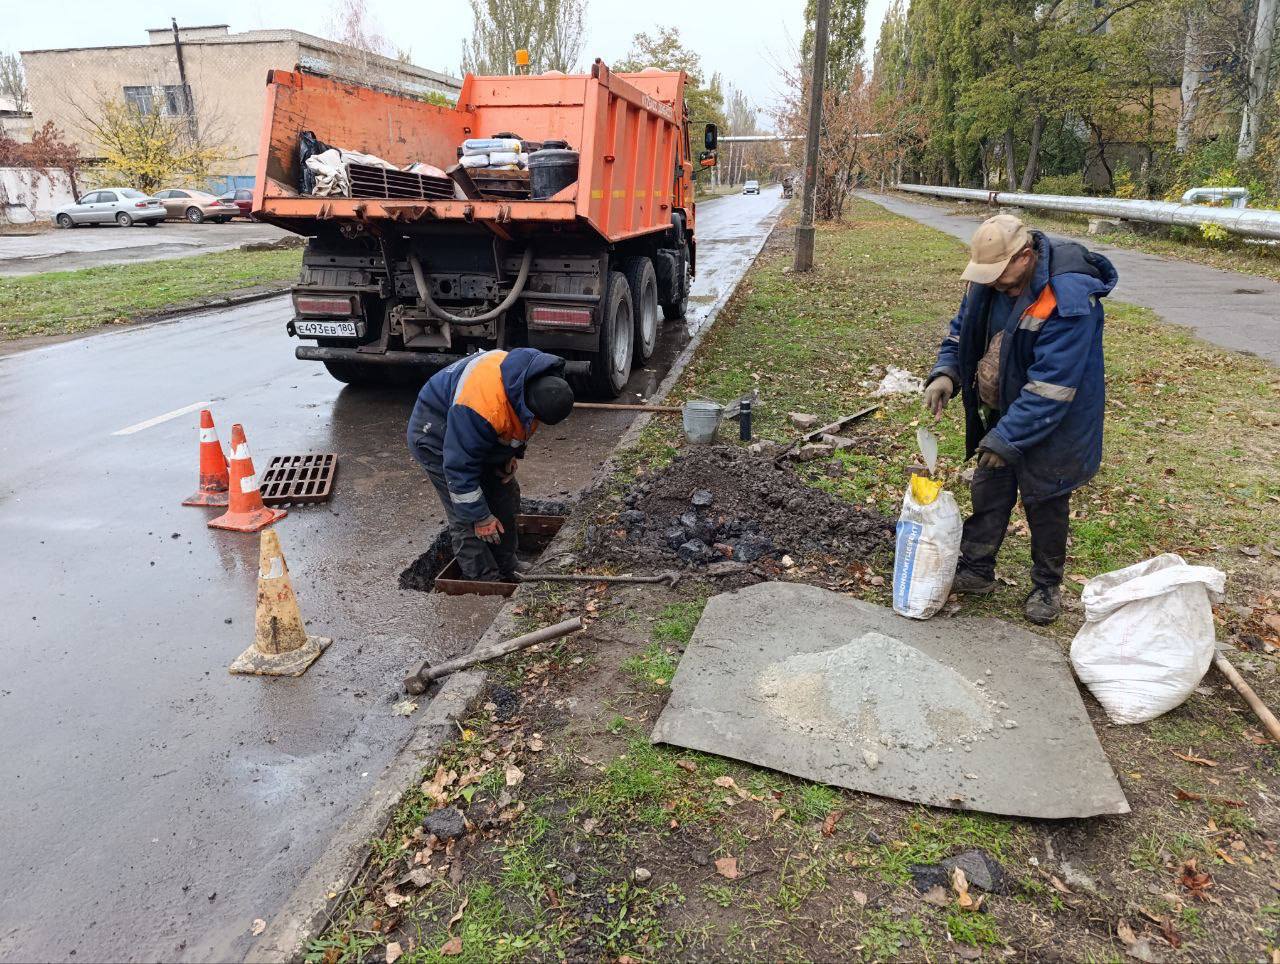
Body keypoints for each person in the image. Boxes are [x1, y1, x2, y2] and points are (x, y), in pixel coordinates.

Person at [923, 214, 1117, 625]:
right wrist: (946, 372)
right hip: (1004, 406)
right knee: (989, 487)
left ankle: (1047, 585)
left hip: (1056, 417)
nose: (994, 283)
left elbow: (1053, 385)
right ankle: (977, 569)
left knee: (1045, 498)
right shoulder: (990, 278)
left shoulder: (1068, 295)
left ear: (1025, 256)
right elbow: (963, 332)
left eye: (1000, 275)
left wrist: (1007, 438)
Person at [407, 348, 574, 581]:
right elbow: (459, 469)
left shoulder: (535, 379)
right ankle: (484, 581)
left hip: (474, 435)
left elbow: (517, 424)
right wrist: (481, 517)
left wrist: (509, 456)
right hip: (436, 435)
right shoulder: (481, 407)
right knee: (466, 517)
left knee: (505, 495)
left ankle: (507, 565)